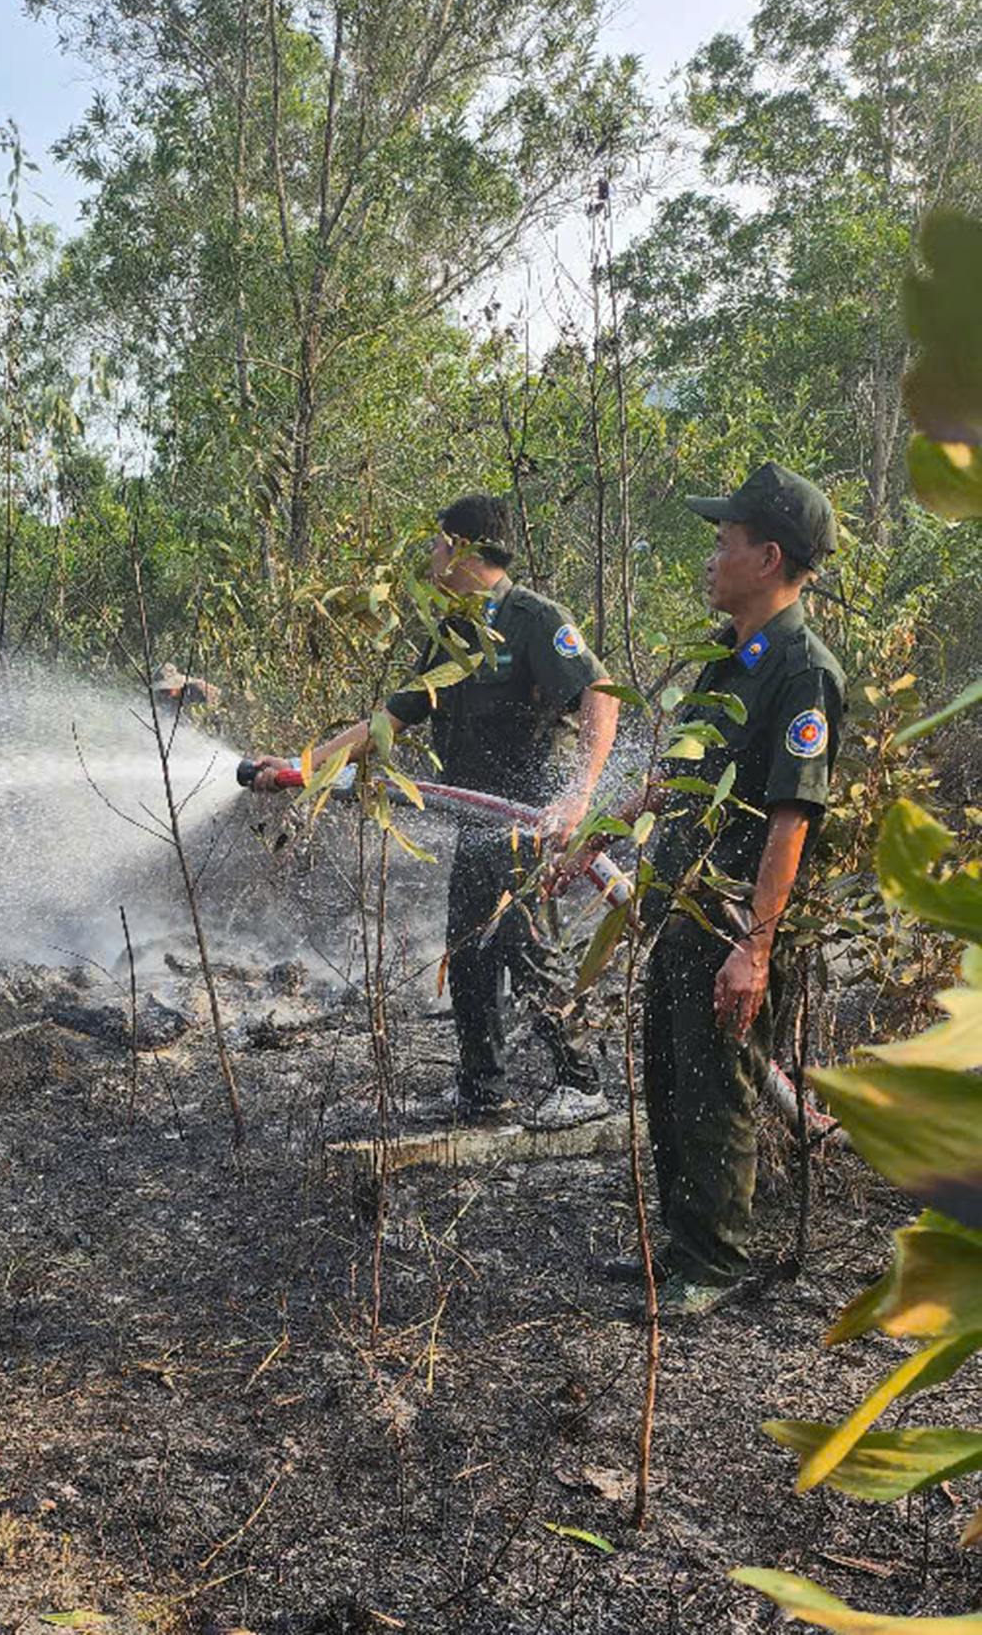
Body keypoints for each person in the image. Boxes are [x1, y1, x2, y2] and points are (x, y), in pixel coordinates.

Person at [561, 463, 844, 1317]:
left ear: (767, 558)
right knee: (672, 1080)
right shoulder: (727, 658)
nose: (710, 558)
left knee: (718, 1087)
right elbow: (669, 775)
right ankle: (680, 1249)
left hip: (732, 920)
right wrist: (595, 840)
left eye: (723, 545)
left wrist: (753, 947)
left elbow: (791, 819)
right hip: (678, 913)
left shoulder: (801, 671)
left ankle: (712, 1267)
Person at [246, 495, 618, 1121]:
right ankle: (481, 1091)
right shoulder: (452, 632)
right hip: (475, 823)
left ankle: (582, 1084)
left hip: (525, 823)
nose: (431, 557)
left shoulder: (534, 619)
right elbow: (387, 722)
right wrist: (299, 769)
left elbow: (600, 696)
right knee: (468, 950)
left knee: (524, 950)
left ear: (465, 549)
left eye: (440, 544)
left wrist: (577, 795)